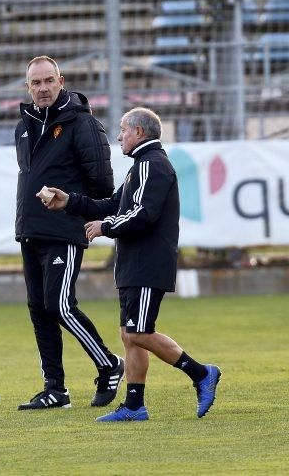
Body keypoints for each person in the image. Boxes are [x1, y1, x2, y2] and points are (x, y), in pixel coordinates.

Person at [42, 107, 221, 421]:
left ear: (139, 132)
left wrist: (106, 226)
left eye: (123, 129)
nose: (119, 135)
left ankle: (202, 373)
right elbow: (113, 203)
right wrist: (69, 201)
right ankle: (135, 406)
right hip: (134, 264)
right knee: (129, 334)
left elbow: (143, 214)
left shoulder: (153, 165)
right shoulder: (140, 166)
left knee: (138, 332)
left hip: (147, 263)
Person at [15, 56, 124, 411]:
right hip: (31, 230)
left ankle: (109, 364)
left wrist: (78, 212)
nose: (43, 88)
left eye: (49, 81)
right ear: (28, 87)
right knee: (39, 308)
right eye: (36, 83)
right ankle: (55, 388)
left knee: (60, 305)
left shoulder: (82, 124)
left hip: (64, 229)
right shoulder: (24, 124)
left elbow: (103, 185)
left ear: (61, 81)